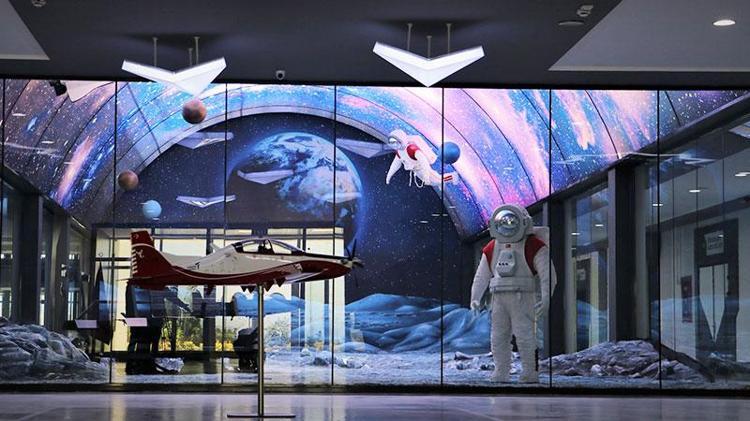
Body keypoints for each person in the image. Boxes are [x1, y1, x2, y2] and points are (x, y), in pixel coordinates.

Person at [470, 204, 556, 383]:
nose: (508, 224)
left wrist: (546, 296)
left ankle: (530, 372)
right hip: (499, 298)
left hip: (522, 296)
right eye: (504, 221)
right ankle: (501, 371)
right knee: (498, 337)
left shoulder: (533, 245)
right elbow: (482, 275)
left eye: (511, 221)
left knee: (525, 335)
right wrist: (475, 297)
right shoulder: (493, 247)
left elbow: (548, 275)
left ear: (524, 222)